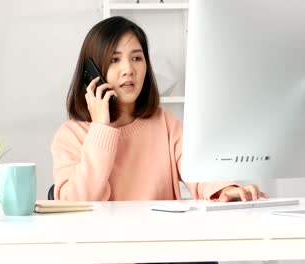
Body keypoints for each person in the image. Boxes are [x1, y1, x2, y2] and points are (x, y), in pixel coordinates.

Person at [51, 16, 269, 204]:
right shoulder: (70, 135)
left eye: (137, 58)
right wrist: (100, 128)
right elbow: (77, 205)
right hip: (104, 249)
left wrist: (224, 189)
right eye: (114, 60)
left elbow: (198, 170)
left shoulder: (164, 122)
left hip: (163, 247)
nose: (129, 69)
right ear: (92, 73)